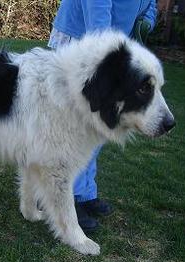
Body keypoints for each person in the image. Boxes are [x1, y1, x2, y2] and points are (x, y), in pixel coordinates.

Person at [48, 0, 157, 232]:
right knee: (73, 130)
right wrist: (108, 53)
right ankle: (68, 196)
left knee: (98, 127)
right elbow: (97, 6)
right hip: (83, 40)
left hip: (114, 46)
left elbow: (151, 5)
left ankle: (85, 192)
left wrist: (145, 23)